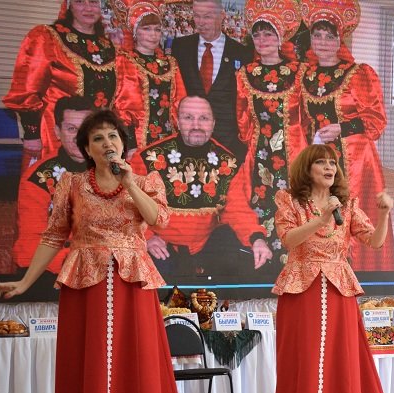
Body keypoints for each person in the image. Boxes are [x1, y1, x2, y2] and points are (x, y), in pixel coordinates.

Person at [0, 109, 193, 393]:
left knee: (139, 367)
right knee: (89, 367)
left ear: (123, 143)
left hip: (133, 284)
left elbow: (159, 220)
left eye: (113, 136)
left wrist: (129, 182)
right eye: (97, 138)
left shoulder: (145, 180)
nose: (107, 143)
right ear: (85, 148)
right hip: (86, 284)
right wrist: (24, 282)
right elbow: (53, 236)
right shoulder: (72, 184)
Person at [272, 144, 394, 393]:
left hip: (339, 292)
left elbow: (375, 241)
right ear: (307, 168)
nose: (330, 168)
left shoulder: (348, 204)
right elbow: (289, 239)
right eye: (321, 163)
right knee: (304, 363)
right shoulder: (289, 201)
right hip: (301, 290)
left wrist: (384, 213)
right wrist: (322, 218)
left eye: (333, 163)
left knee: (343, 364)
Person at [299, 0, 394, 272]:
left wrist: (342, 128)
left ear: (339, 40)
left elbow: (377, 120)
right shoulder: (305, 76)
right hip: (320, 159)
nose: (322, 42)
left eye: (329, 36)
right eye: (317, 35)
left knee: (357, 217)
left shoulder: (359, 74)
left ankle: (360, 276)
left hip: (356, 161)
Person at [131, 95, 272, 278]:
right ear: (177, 122)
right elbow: (130, 207)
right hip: (161, 246)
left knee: (237, 262)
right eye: (188, 118)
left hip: (207, 247)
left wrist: (257, 239)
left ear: (213, 124)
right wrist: (148, 238)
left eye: (203, 118)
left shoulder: (228, 163)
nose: (196, 125)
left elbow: (237, 210)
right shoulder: (146, 159)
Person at [3, 0, 116, 169]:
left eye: (93, 2)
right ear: (69, 5)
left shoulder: (108, 46)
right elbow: (27, 88)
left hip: (96, 135)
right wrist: (32, 134)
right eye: (80, 1)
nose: (88, 8)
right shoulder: (47, 37)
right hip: (56, 134)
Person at [235, 0, 305, 270]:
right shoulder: (245, 74)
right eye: (257, 34)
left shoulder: (299, 72)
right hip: (260, 156)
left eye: (268, 34)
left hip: (294, 154)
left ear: (280, 38)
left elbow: (307, 115)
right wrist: (253, 146)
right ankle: (265, 264)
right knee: (261, 206)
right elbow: (242, 116)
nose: (262, 40)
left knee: (295, 206)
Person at [13, 96, 94, 280]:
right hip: (56, 267)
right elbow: (29, 242)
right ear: (57, 132)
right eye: (71, 129)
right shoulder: (38, 178)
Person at [170, 0, 251, 160]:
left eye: (207, 17)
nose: (200, 22)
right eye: (197, 16)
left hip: (228, 142)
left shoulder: (242, 53)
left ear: (222, 16)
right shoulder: (180, 47)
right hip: (190, 139)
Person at [115, 0, 186, 151]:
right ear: (135, 32)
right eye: (146, 29)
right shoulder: (125, 60)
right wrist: (130, 145)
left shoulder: (171, 63)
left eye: (157, 29)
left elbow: (180, 102)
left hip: (170, 139)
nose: (153, 35)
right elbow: (124, 107)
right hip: (138, 142)